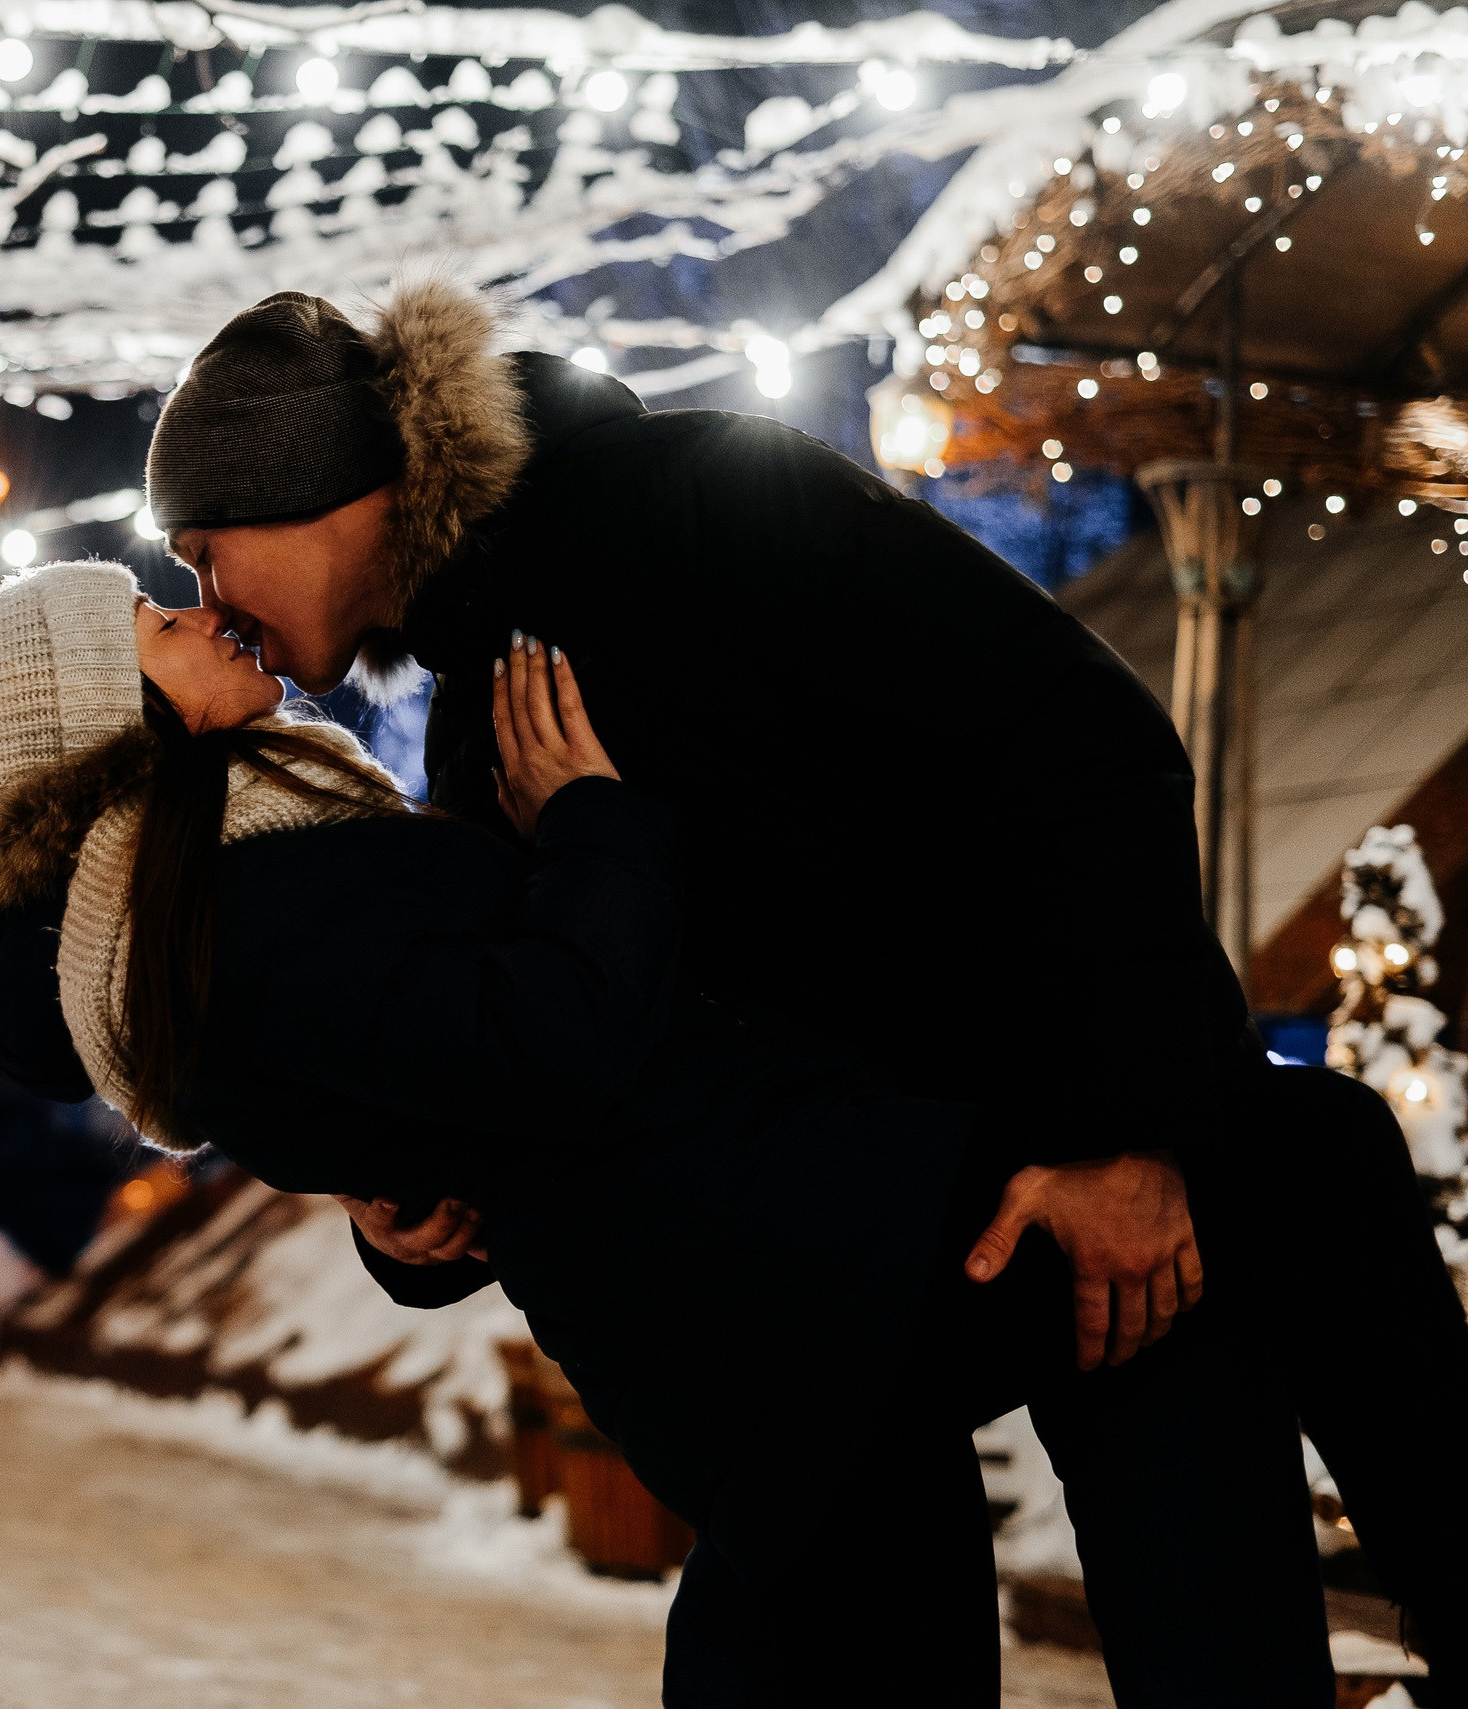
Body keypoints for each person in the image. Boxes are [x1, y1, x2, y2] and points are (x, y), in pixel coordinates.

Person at [0, 562, 1467, 1706]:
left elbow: (422, 1103)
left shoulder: (215, 895)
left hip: (756, 1253)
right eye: (146, 616)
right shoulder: (223, 910)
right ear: (93, 715)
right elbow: (555, 1041)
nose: (201, 605)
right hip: (793, 1241)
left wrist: (402, 1210)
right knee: (1314, 1161)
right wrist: (591, 821)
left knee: (849, 1621)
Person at [139, 278, 1468, 1688]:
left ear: (312, 485)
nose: (211, 602)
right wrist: (417, 1211)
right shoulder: (485, 721)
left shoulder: (699, 498)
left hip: (1113, 1157)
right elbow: (572, 1050)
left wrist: (1117, 1137)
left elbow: (1080, 739)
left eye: (208, 549)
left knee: (1216, 1610)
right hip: (918, 1237)